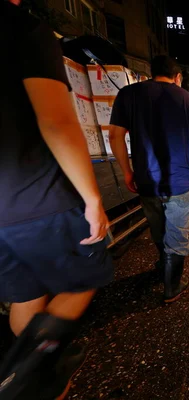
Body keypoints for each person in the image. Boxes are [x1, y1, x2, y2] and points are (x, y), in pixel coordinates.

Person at [0, 1, 113, 398]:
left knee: (25, 292)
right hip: (37, 196)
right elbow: (57, 120)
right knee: (88, 274)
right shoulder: (23, 28)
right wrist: (92, 198)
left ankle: (41, 377)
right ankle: (28, 370)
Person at [109, 55, 189, 303]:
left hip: (146, 180)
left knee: (157, 228)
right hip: (180, 182)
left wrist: (128, 171)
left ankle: (163, 266)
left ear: (151, 73)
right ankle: (172, 285)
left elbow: (115, 136)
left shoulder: (128, 94)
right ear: (178, 77)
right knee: (177, 231)